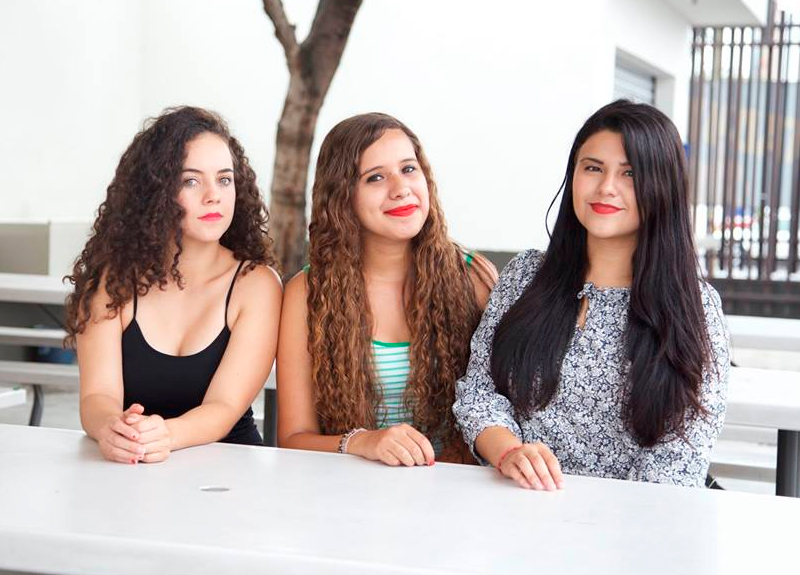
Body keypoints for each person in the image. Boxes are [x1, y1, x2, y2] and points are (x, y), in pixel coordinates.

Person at [453, 100, 730, 489]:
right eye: (593, 168)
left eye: (630, 173)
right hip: (516, 503)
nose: (606, 188)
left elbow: (678, 460)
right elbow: (479, 394)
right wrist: (510, 452)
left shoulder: (693, 305)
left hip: (637, 518)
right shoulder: (526, 275)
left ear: (662, 186)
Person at [277, 112, 497, 465]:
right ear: (342, 196)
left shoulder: (473, 279)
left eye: (408, 169)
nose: (401, 188)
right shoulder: (307, 293)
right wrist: (363, 442)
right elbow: (292, 438)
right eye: (375, 177)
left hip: (454, 485)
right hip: (349, 486)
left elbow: (497, 413)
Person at [65, 106, 282, 463]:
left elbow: (224, 407)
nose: (213, 195)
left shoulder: (256, 284)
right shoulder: (112, 281)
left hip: (232, 472)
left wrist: (163, 435)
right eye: (190, 181)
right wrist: (112, 429)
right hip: (133, 467)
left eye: (224, 179)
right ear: (155, 191)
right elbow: (96, 397)